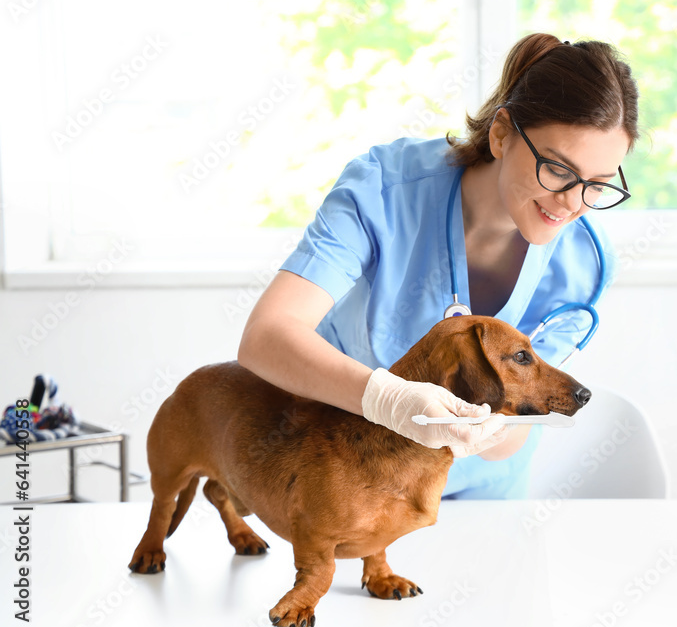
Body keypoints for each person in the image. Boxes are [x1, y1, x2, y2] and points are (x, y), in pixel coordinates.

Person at [238, 32, 639, 499]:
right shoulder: (386, 191)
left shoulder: (584, 263)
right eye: (557, 169)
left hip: (479, 495)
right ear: (502, 132)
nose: (572, 203)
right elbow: (265, 337)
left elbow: (510, 438)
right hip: (349, 477)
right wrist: (385, 400)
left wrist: (485, 426)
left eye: (598, 184)